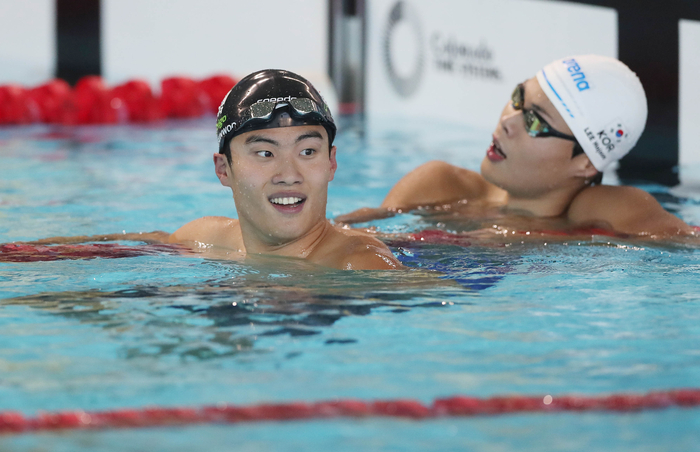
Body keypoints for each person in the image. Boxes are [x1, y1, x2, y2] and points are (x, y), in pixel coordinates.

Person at [336, 55, 694, 238]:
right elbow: (335, 239)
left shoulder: (601, 211)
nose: (508, 121)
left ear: (586, 163)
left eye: (535, 121)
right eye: (518, 98)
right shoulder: (440, 187)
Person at [168, 69, 401, 270]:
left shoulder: (361, 265)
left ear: (331, 163)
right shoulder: (201, 239)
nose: (289, 176)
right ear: (223, 169)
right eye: (265, 154)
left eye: (307, 152)